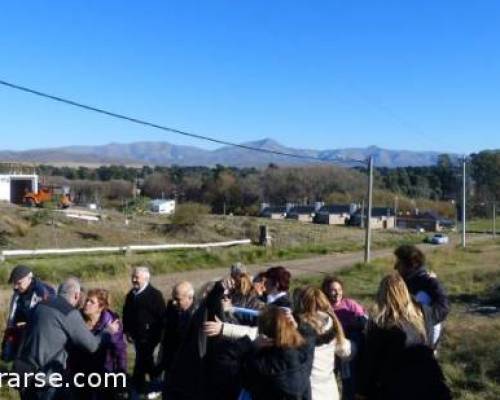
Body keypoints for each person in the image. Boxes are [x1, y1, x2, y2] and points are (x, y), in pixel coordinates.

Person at [15, 277, 120, 400]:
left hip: (25, 375)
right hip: (49, 381)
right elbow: (92, 346)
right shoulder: (68, 312)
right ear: (76, 295)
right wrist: (107, 332)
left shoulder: (41, 304)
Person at [356, 273, 451, 400]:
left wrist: (363, 391)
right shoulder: (422, 313)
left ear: (382, 295)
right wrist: (432, 281)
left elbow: (370, 363)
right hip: (428, 383)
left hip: (396, 389)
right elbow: (443, 306)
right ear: (405, 292)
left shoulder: (381, 325)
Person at [69, 288, 127, 400]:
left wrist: (121, 375)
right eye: (86, 300)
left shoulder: (112, 323)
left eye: (91, 302)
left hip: (103, 371)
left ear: (101, 307)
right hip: (80, 371)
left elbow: (119, 350)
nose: (86, 304)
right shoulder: (77, 319)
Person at [296, 286, 352, 400]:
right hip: (329, 390)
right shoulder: (332, 323)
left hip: (308, 391)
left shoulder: (299, 328)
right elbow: (344, 350)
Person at [122, 266, 166, 395]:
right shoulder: (131, 295)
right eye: (133, 277)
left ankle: (137, 386)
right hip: (136, 334)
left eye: (137, 277)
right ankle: (156, 381)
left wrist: (160, 333)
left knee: (141, 359)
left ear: (146, 278)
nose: (134, 279)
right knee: (145, 359)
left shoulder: (155, 295)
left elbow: (162, 316)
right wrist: (127, 330)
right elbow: (126, 313)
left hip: (150, 335)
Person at [394, 244, 450, 345]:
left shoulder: (429, 282)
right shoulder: (400, 283)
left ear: (412, 263)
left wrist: (420, 318)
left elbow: (444, 307)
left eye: (399, 263)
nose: (395, 267)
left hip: (424, 338)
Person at [322, 276, 366, 400]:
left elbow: (364, 321)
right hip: (330, 350)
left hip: (347, 351)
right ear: (325, 291)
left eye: (339, 289)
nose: (337, 293)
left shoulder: (350, 305)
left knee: (348, 381)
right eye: (333, 290)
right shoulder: (323, 309)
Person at [2, 265, 55, 362]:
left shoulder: (42, 292)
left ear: (29, 278)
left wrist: (28, 324)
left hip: (39, 333)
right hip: (21, 330)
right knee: (7, 355)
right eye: (14, 283)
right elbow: (12, 317)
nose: (15, 287)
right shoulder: (17, 293)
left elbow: (46, 320)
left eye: (18, 283)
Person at [159, 281, 196, 376]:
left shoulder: (197, 315)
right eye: (173, 298)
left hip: (188, 365)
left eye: (178, 299)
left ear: (189, 298)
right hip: (170, 362)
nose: (174, 302)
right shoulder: (171, 308)